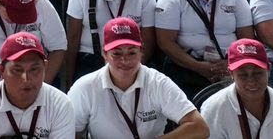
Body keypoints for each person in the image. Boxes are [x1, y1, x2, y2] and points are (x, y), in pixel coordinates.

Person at [66, 16, 208, 139]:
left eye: (132, 53)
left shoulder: (158, 82)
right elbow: (70, 133)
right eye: (116, 54)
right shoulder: (84, 87)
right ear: (104, 54)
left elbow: (200, 127)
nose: (125, 60)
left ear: (142, 52)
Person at [0, 32, 75, 139]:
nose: (26, 79)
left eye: (34, 69)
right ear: (2, 71)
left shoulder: (60, 105)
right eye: (17, 70)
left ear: (45, 67)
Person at [196, 38, 273, 139]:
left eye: (258, 73)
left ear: (269, 69)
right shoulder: (213, 108)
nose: (251, 80)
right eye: (242, 74)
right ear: (231, 73)